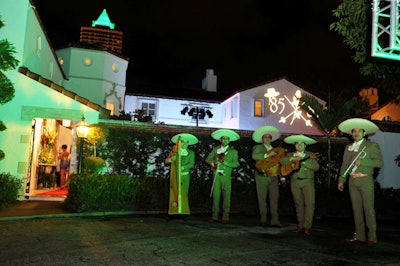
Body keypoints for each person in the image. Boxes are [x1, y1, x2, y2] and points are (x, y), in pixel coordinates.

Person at [337, 118, 383, 247]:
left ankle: (372, 237)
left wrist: (363, 162)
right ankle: (359, 236)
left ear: (364, 133)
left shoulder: (371, 145)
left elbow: (379, 162)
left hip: (365, 180)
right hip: (352, 181)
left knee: (368, 209)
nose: (356, 133)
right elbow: (345, 164)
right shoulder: (348, 147)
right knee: (356, 210)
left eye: (359, 131)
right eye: (354, 131)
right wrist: (342, 179)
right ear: (351, 134)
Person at [280, 134, 319, 235]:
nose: (299, 146)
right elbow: (281, 161)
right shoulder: (290, 155)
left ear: (305, 146)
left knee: (310, 204)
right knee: (298, 204)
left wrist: (304, 162)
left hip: (308, 181)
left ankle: (307, 226)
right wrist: (292, 159)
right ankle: (300, 225)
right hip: (295, 181)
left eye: (301, 144)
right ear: (294, 145)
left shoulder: (310, 155)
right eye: (297, 144)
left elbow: (316, 167)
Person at [251, 126, 287, 227]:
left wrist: (282, 177)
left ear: (271, 139)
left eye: (269, 137)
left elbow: (279, 164)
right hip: (261, 176)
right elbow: (254, 156)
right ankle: (263, 219)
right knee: (262, 199)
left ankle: (275, 220)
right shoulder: (258, 147)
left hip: (274, 176)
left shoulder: (277, 150)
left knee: (274, 199)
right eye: (265, 137)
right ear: (262, 139)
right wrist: (267, 155)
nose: (267, 139)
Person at [205, 129, 240, 224]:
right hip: (216, 175)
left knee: (227, 197)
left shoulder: (233, 151)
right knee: (216, 196)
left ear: (229, 140)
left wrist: (228, 163)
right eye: (223, 139)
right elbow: (207, 159)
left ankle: (225, 217)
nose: (225, 141)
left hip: (226, 176)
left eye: (227, 139)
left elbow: (237, 164)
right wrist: (213, 163)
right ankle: (214, 216)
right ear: (220, 140)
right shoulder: (216, 149)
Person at [165, 133, 198, 217]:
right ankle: (175, 211)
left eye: (187, 142)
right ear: (180, 143)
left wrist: (182, 167)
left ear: (188, 143)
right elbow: (166, 161)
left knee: (184, 193)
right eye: (183, 142)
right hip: (175, 176)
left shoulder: (191, 153)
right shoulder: (175, 151)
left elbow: (191, 163)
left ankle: (183, 211)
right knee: (175, 193)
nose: (184, 144)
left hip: (185, 176)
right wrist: (170, 159)